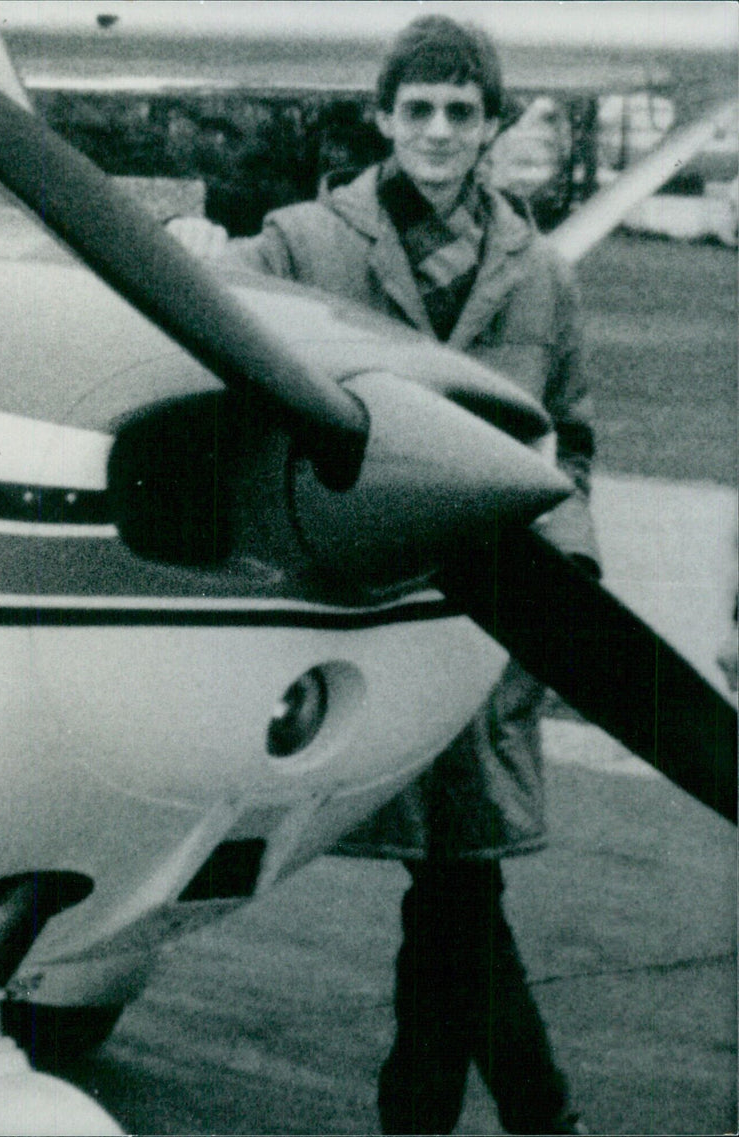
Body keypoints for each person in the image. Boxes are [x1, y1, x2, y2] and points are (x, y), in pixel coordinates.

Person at [169, 15, 598, 1134]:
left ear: (493, 126)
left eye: (462, 112)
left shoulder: (542, 277)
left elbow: (571, 442)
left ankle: (455, 1119)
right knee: (458, 887)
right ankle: (533, 1118)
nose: (439, 131)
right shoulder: (302, 241)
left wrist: (573, 582)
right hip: (372, 619)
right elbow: (198, 321)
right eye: (418, 109)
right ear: (380, 117)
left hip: (494, 620)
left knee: (456, 885)